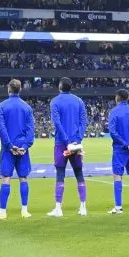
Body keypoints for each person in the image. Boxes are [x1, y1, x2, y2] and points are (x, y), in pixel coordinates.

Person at [0, 79, 34, 220]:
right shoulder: (27, 107)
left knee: (5, 178)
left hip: (8, 148)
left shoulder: (2, 106)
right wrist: (25, 146)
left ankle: (3, 211)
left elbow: (2, 128)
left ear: (9, 88)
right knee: (23, 178)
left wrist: (10, 146)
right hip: (22, 148)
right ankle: (24, 210)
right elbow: (30, 130)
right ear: (20, 89)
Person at [48, 77, 88, 218]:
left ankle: (58, 208)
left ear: (60, 86)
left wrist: (66, 141)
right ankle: (83, 207)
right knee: (79, 173)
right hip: (76, 143)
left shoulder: (55, 101)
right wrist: (78, 139)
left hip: (61, 143)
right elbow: (84, 121)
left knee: (60, 174)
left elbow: (57, 123)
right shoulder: (79, 101)